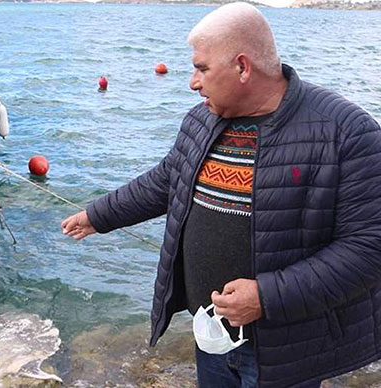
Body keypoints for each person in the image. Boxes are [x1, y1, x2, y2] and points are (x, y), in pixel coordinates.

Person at [61, 3, 381, 387]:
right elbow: (166, 180)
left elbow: (368, 248)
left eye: (202, 69)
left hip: (286, 349)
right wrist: (99, 215)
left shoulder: (346, 131)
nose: (193, 83)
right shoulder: (203, 119)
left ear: (243, 67)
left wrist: (266, 296)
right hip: (210, 331)